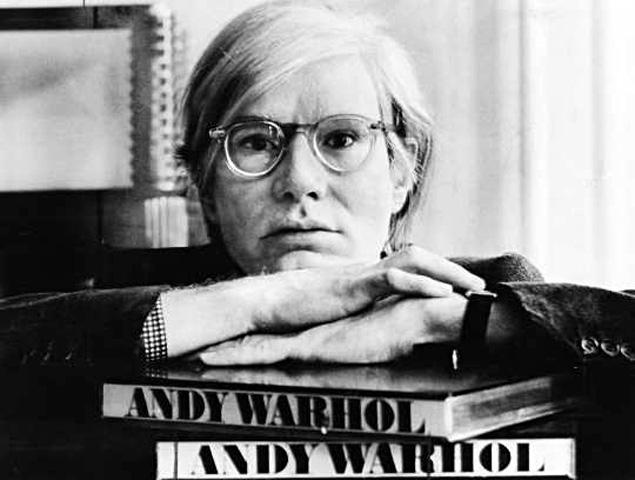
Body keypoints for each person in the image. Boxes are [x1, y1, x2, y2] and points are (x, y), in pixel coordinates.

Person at [1, 0, 634, 369]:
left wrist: (447, 323)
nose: (299, 183)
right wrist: (259, 303)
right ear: (204, 185)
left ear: (401, 172)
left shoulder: (484, 295)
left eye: (341, 139)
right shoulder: (130, 298)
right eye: (255, 142)